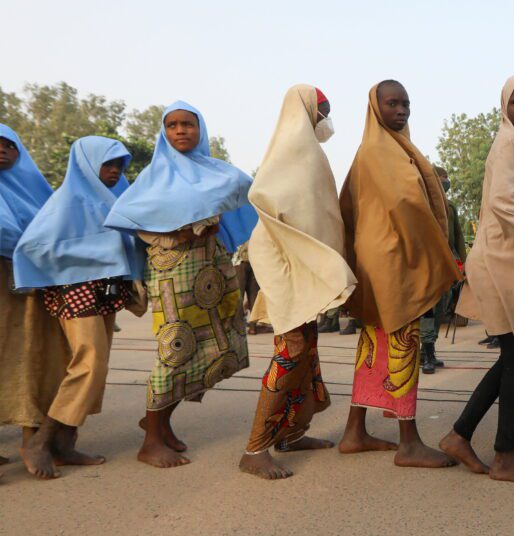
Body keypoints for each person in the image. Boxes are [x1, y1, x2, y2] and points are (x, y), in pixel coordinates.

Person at [105, 101, 252, 468]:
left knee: (213, 346)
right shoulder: (153, 178)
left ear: (201, 129)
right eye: (172, 125)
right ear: (164, 132)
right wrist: (182, 229)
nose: (181, 130)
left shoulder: (218, 172)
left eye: (188, 124)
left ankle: (162, 424)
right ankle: (151, 440)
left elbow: (247, 191)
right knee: (175, 349)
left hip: (212, 268)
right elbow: (132, 219)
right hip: (174, 273)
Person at [439, 75, 514, 485]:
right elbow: (503, 201)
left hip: (505, 261)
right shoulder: (506, 143)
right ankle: (504, 456)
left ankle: (459, 435)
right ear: (504, 107)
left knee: (513, 358)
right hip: (499, 261)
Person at [338, 80, 461, 468]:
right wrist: (437, 252)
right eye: (393, 103)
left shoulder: (374, 149)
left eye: (406, 103)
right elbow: (408, 203)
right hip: (394, 261)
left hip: (377, 260)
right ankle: (408, 441)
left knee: (372, 346)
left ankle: (354, 432)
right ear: (376, 107)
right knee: (403, 343)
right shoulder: (381, 150)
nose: (401, 110)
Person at [239, 85, 356, 480]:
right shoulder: (293, 152)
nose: (325, 119)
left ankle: (291, 432)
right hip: (284, 261)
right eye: (321, 111)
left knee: (307, 347)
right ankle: (254, 449)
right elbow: (265, 197)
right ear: (305, 111)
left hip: (300, 263)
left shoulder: (308, 151)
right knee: (292, 349)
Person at [14, 136, 143, 479]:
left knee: (96, 368)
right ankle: (40, 441)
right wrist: (91, 256)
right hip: (77, 291)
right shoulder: (66, 202)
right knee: (91, 364)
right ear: (87, 163)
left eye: (120, 165)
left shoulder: (114, 201)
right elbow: (33, 247)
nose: (115, 171)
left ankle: (66, 443)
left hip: (107, 290)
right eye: (108, 163)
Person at [0, 124, 69, 479]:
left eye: (8, 145)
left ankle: (34, 438)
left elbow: (57, 229)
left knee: (32, 359)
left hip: (32, 291)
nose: (1, 150)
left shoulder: (38, 192)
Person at [420, 165, 467, 374]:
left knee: (443, 306)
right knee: (428, 311)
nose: (446, 182)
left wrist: (464, 264)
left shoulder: (450, 207)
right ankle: (427, 353)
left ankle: (428, 349)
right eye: (443, 178)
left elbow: (457, 237)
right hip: (426, 267)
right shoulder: (422, 206)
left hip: (445, 267)